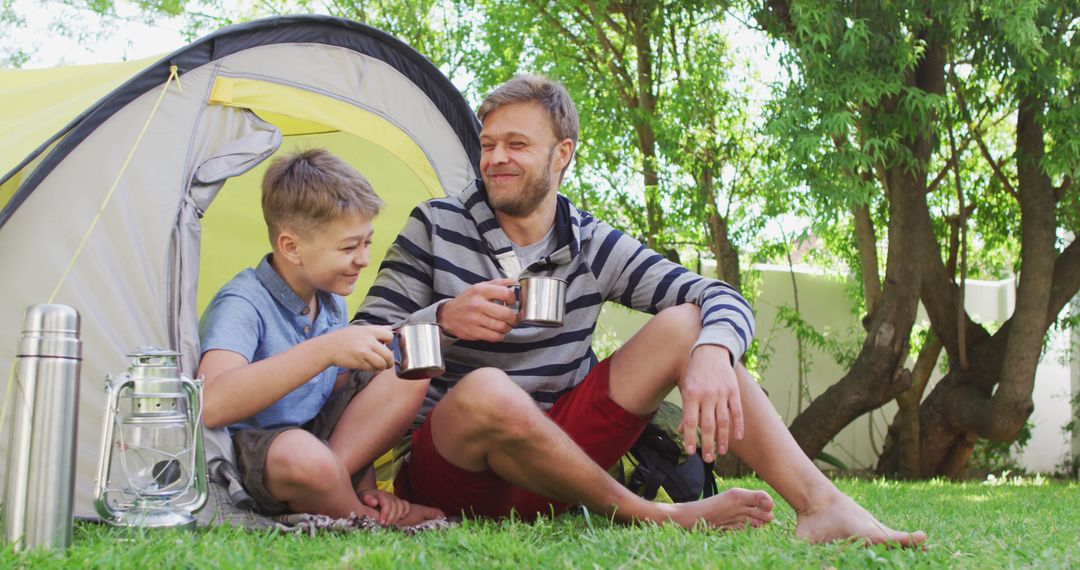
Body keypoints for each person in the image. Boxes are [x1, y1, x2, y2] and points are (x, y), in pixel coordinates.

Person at [354, 75, 927, 546]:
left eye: (517, 144)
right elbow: (357, 350)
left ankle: (822, 505)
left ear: (563, 155)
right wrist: (442, 323)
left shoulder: (592, 243)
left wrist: (713, 351)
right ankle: (648, 513)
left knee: (688, 323)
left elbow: (719, 297)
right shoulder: (435, 228)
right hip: (453, 471)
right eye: (488, 144)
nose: (496, 158)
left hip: (561, 466)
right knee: (486, 389)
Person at [198, 148, 443, 526]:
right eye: (349, 247)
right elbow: (211, 403)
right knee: (304, 455)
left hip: (319, 446)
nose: (363, 259)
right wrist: (327, 349)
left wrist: (361, 478)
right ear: (291, 247)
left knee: (408, 371)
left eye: (366, 242)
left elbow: (336, 406)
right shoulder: (243, 302)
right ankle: (366, 518)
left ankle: (346, 494)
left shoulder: (328, 300)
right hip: (261, 453)